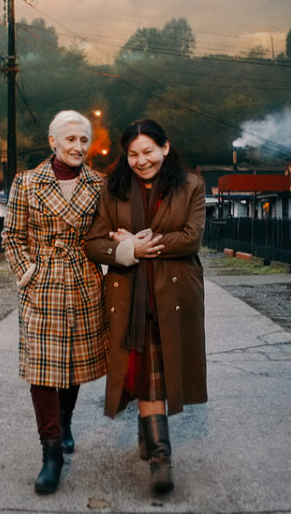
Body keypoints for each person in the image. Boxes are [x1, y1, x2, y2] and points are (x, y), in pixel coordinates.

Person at [84, 119, 207, 495]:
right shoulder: (114, 187)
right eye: (133, 154)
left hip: (173, 295)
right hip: (128, 296)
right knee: (146, 375)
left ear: (165, 148)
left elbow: (191, 238)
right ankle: (160, 459)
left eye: (148, 152)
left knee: (159, 374)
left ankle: (152, 442)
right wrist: (124, 249)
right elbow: (93, 242)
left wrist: (143, 244)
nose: (141, 161)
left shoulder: (191, 185)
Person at [1, 110, 108, 495]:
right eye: (71, 139)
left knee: (74, 363)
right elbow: (11, 235)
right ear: (53, 142)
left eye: (84, 140)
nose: (78, 146)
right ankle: (51, 454)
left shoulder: (100, 184)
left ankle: (65, 421)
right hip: (42, 283)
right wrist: (27, 272)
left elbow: (107, 233)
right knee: (43, 367)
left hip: (83, 280)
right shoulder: (27, 183)